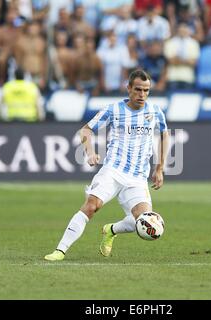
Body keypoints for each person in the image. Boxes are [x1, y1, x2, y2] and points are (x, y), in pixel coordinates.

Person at [44, 69, 169, 261]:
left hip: (137, 178)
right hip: (113, 171)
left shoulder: (155, 112)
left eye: (146, 91)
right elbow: (86, 130)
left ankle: (111, 230)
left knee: (143, 222)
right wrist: (91, 152)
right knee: (91, 206)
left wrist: (159, 168)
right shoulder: (114, 110)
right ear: (128, 89)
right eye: (138, 90)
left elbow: (165, 134)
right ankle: (60, 250)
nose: (142, 95)